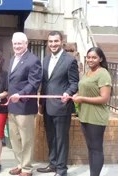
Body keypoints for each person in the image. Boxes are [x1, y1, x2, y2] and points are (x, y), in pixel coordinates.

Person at [37, 31, 79, 176]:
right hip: (47, 105)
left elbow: (74, 83)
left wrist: (68, 93)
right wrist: (40, 102)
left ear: (61, 42)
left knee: (61, 138)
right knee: (50, 136)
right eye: (50, 41)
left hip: (62, 106)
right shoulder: (46, 59)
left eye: (56, 41)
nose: (53, 44)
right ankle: (53, 164)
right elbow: (45, 82)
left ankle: (61, 169)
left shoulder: (69, 60)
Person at [72, 47, 111, 176]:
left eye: (94, 57)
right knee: (91, 148)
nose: (90, 60)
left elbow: (104, 98)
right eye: (88, 57)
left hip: (96, 117)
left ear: (100, 59)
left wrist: (82, 98)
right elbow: (84, 89)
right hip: (85, 116)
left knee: (96, 149)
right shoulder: (87, 72)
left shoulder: (103, 73)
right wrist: (75, 95)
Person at [8, 32, 42, 176]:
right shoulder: (12, 59)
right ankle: (20, 164)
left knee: (26, 139)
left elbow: (34, 83)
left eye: (19, 43)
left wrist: (20, 95)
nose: (17, 46)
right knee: (15, 138)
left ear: (26, 44)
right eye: (15, 43)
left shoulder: (33, 60)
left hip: (25, 106)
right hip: (12, 106)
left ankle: (27, 168)